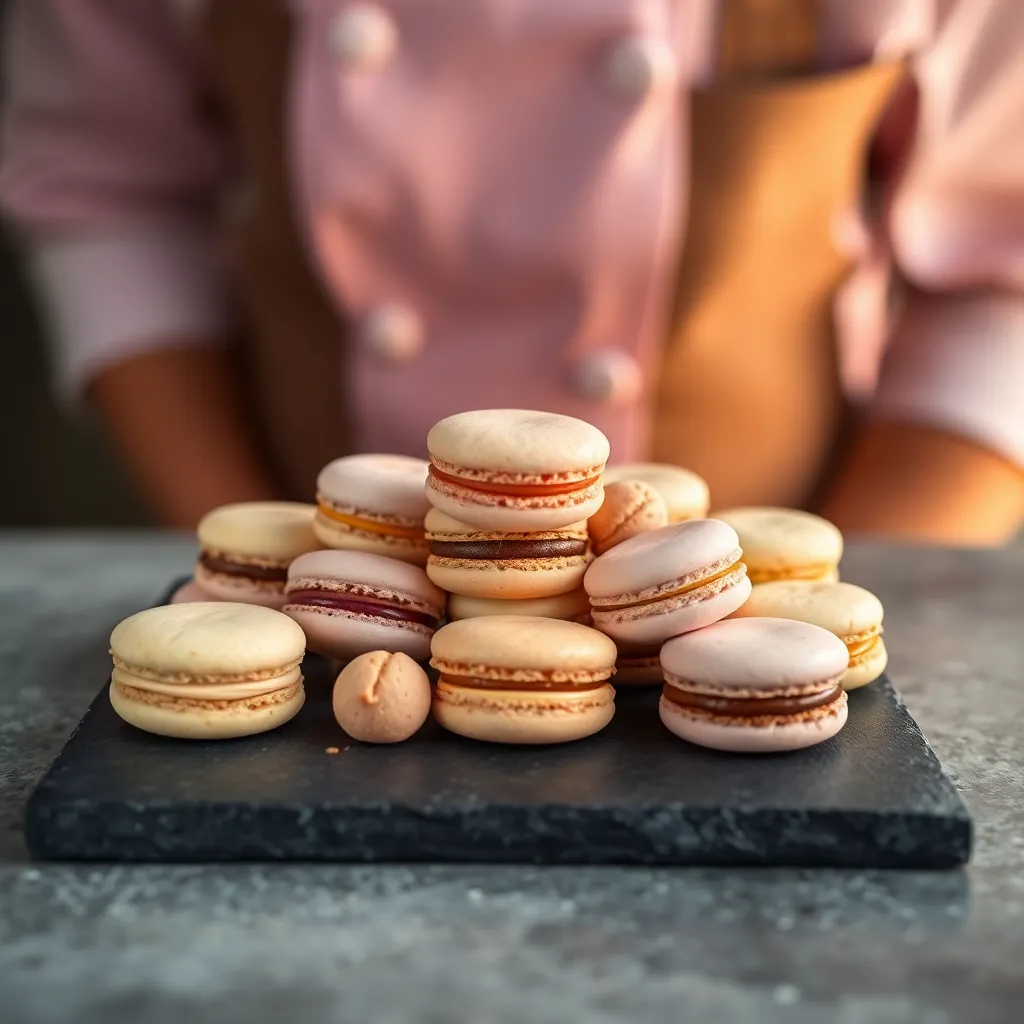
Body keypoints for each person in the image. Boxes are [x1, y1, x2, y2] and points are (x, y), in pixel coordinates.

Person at [2, 0, 1023, 542]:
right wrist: (240, 567)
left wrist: (846, 615)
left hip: (798, 551)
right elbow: (107, 183)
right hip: (305, 559)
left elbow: (1001, 270)